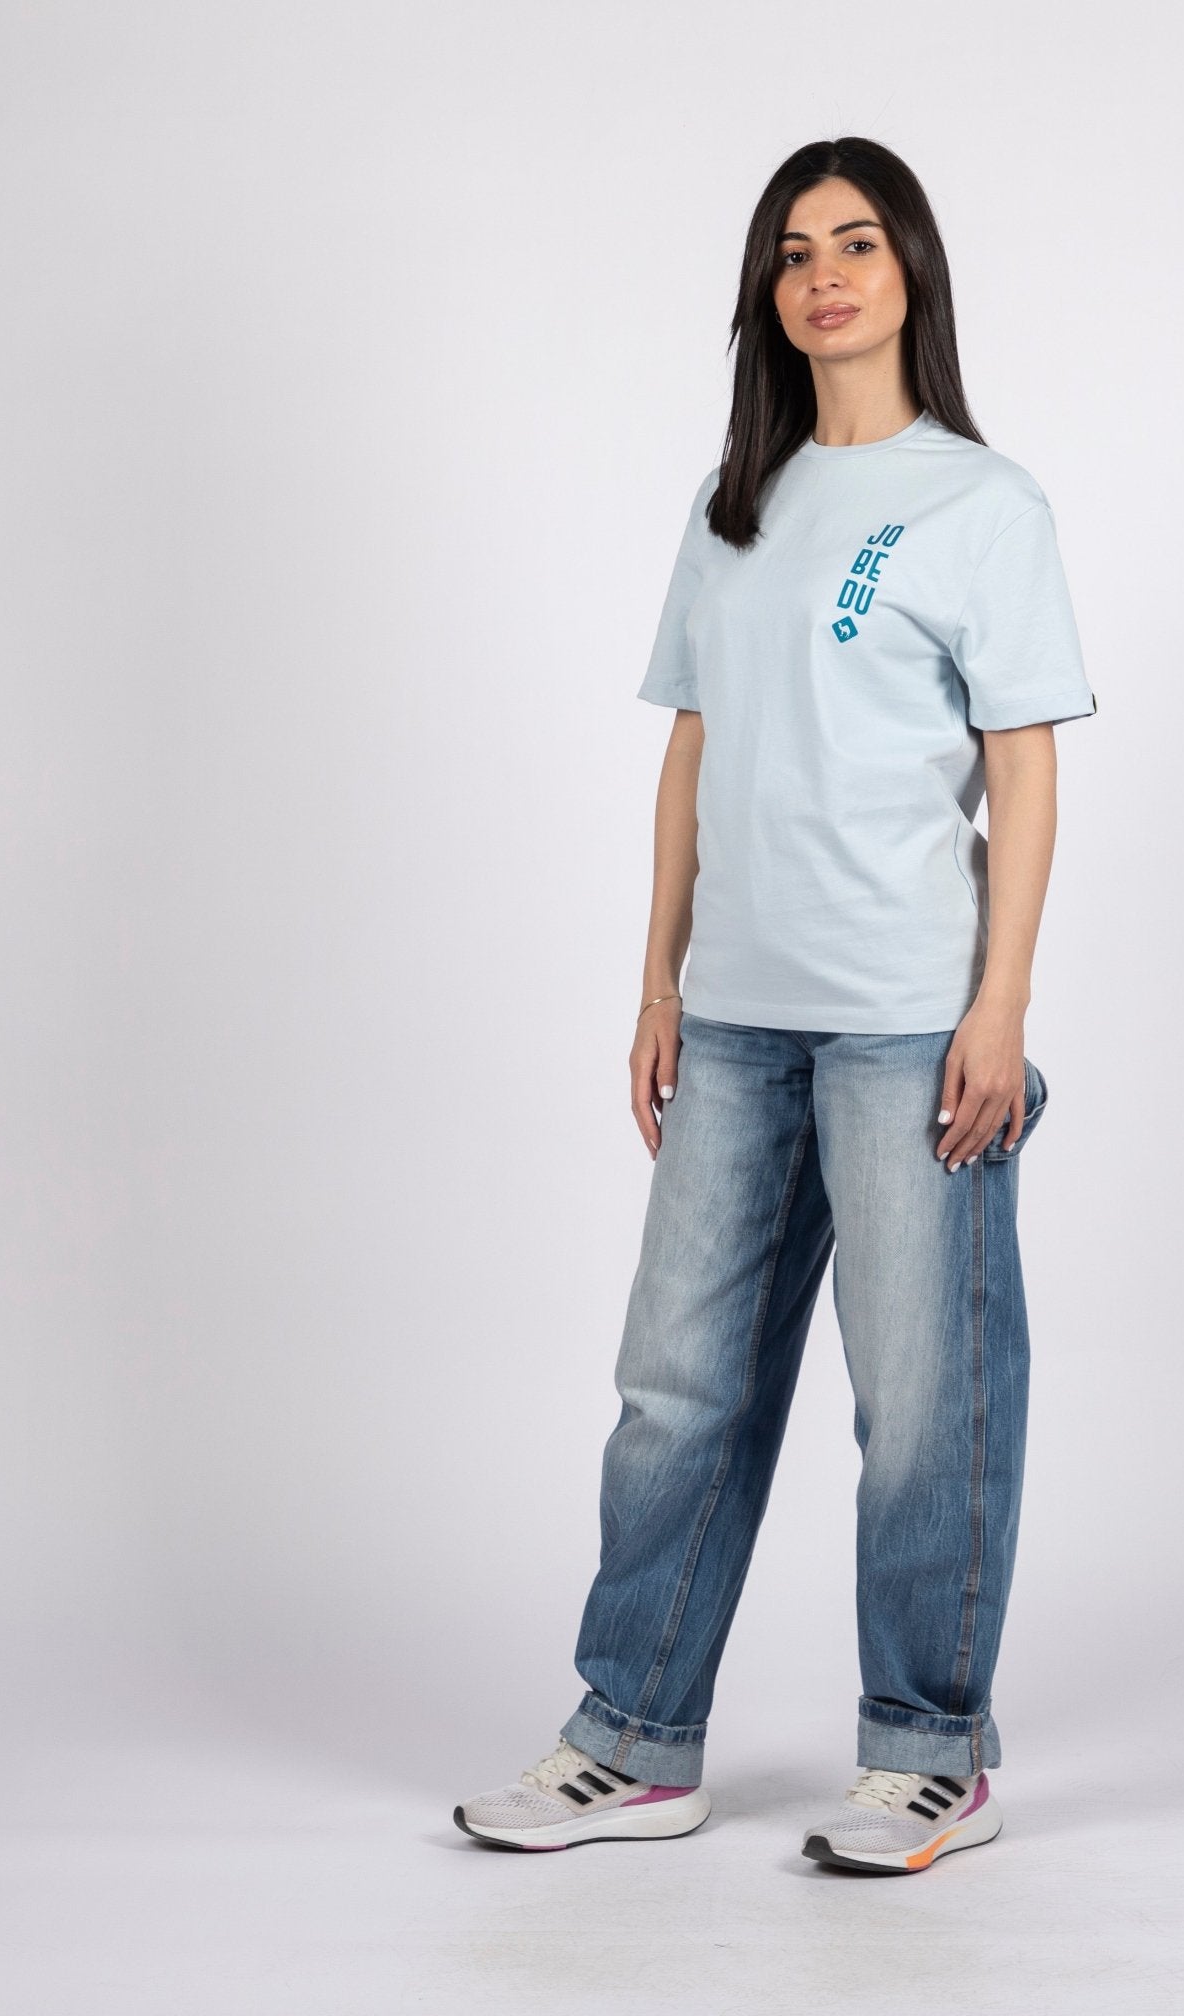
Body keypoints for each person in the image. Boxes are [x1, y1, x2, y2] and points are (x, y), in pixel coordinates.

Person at [455, 136, 1096, 1874]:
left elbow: (1024, 768)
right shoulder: (734, 502)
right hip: (735, 1022)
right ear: (769, 292)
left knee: (925, 1403)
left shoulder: (983, 504)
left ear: (911, 272)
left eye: (857, 244)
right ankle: (634, 1740)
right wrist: (656, 977)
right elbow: (693, 749)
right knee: (677, 1388)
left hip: (908, 1023)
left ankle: (930, 1757)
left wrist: (999, 1007)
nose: (825, 275)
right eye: (796, 252)